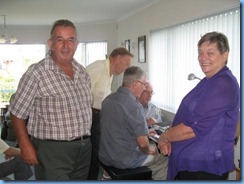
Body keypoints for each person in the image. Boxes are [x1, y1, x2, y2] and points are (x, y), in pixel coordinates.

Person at [9, 19, 93, 180]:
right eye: (60, 39)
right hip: (52, 150)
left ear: (76, 44)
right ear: (51, 43)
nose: (66, 45)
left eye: (71, 40)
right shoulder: (36, 73)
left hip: (84, 148)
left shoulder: (82, 72)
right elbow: (17, 113)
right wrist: (25, 145)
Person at [158, 32, 240, 180]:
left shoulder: (223, 84)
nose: (203, 58)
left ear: (225, 55)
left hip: (203, 168)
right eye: (200, 53)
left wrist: (164, 137)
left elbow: (193, 128)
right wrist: (170, 136)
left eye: (210, 53)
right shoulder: (208, 81)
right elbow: (189, 116)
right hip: (191, 164)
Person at [99, 66, 168, 180]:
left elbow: (118, 129)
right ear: (136, 84)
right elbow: (142, 144)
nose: (145, 88)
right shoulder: (135, 106)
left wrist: (145, 132)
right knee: (164, 157)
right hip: (124, 160)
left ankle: (107, 176)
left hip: (105, 156)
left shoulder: (108, 99)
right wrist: (148, 149)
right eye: (144, 84)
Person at [86, 47, 133, 180]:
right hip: (89, 116)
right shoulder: (98, 68)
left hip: (99, 116)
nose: (126, 68)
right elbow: (81, 94)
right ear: (118, 58)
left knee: (97, 153)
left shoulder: (110, 74)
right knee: (92, 155)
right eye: (126, 64)